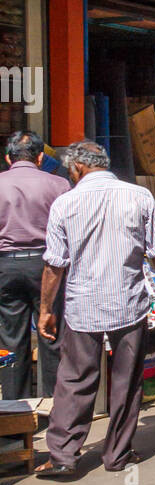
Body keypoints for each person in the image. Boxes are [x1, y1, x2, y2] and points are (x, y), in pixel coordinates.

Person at [35, 141, 155, 478]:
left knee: (74, 379)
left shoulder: (65, 204)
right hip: (128, 303)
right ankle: (118, 454)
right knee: (127, 380)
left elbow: (54, 266)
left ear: (78, 168)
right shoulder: (139, 196)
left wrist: (45, 310)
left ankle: (63, 456)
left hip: (82, 305)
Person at [0, 130, 69, 399]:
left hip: (6, 266)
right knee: (51, 333)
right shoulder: (59, 185)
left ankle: (14, 411)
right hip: (48, 267)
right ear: (40, 158)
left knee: (11, 339)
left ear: (8, 158)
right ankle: (54, 409)